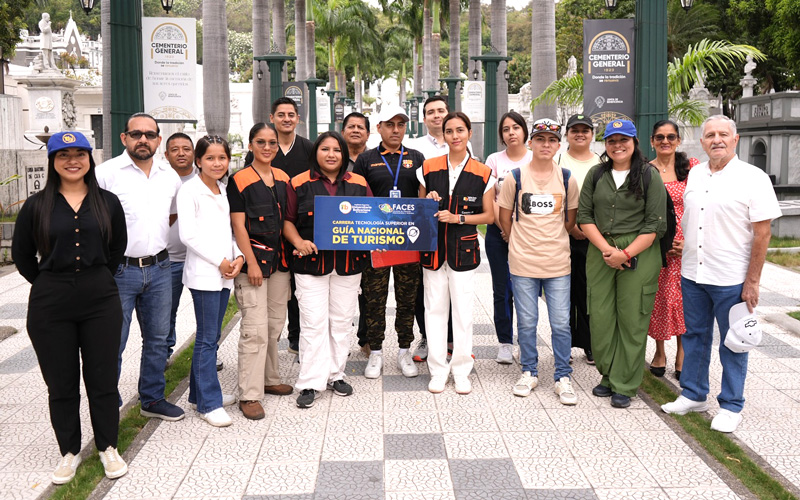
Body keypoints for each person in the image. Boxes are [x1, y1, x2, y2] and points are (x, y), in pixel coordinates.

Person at [12, 131, 129, 483]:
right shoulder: (36, 205)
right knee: (61, 383)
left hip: (100, 299)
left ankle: (108, 445)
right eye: (64, 155)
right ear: (53, 161)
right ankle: (69, 451)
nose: (73, 160)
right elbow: (21, 256)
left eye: (80, 153)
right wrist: (52, 282)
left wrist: (92, 279)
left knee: (103, 378)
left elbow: (116, 250)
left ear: (89, 159)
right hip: (51, 303)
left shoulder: (107, 202)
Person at [661, 115, 781, 433]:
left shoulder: (753, 178)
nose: (717, 139)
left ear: (735, 139)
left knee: (734, 342)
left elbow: (763, 233)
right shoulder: (695, 175)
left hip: (732, 278)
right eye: (710, 135)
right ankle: (694, 394)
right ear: (702, 142)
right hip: (693, 273)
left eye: (723, 135)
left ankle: (730, 405)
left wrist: (753, 281)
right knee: (694, 337)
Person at [96, 113, 185, 421]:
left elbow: (171, 215)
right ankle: (108, 403)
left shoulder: (169, 176)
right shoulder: (106, 174)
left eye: (150, 134)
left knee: (158, 338)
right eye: (136, 134)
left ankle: (152, 398)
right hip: (119, 271)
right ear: (125, 138)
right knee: (113, 341)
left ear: (159, 140)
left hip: (160, 268)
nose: (143, 139)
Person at [577, 119, 666, 409]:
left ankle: (625, 383)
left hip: (639, 251)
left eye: (623, 140)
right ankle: (608, 375)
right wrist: (607, 251)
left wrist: (625, 254)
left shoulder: (649, 176)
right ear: (605, 144)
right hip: (601, 250)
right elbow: (584, 217)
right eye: (612, 140)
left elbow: (654, 225)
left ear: (635, 142)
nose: (618, 145)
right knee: (601, 316)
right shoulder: (596, 174)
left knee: (631, 317)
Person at [283, 131, 373, 408]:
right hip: (311, 266)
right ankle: (310, 382)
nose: (331, 154)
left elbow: (373, 219)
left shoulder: (358, 182)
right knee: (312, 323)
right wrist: (299, 241)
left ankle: (336, 374)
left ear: (344, 154)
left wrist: (377, 238)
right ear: (316, 153)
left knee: (342, 321)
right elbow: (287, 221)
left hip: (348, 265)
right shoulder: (298, 182)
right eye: (325, 149)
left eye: (337, 149)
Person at [497, 119, 580, 404]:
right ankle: (530, 371)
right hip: (522, 263)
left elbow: (569, 222)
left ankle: (562, 375)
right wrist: (516, 241)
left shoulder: (568, 178)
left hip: (558, 264)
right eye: (540, 139)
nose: (546, 145)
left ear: (559, 145)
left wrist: (552, 240)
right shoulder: (515, 177)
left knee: (560, 323)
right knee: (528, 321)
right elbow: (503, 218)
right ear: (530, 142)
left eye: (552, 140)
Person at [418, 112, 495, 395]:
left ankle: (462, 370)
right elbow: (419, 206)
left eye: (460, 130)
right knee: (434, 310)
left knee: (462, 313)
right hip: (433, 250)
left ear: (469, 133)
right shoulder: (428, 167)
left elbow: (489, 216)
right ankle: (437, 370)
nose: (455, 136)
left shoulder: (483, 172)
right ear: (444, 135)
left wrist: (459, 219)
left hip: (463, 251)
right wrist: (427, 200)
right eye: (449, 131)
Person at [353, 105, 426, 379]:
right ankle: (376, 352)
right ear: (379, 128)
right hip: (377, 240)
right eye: (390, 125)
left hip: (408, 240)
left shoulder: (416, 158)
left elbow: (422, 197)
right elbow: (359, 198)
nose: (396, 130)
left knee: (407, 298)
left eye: (401, 124)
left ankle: (404, 350)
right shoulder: (366, 159)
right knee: (374, 298)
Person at [228, 123, 294, 421]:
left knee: (274, 325)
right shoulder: (239, 180)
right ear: (251, 146)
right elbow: (238, 225)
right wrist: (251, 261)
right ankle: (250, 394)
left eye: (272, 143)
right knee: (254, 329)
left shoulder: (283, 177)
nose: (267, 147)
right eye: (260, 142)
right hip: (255, 265)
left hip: (280, 264)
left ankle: (269, 378)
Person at [177, 135, 243, 427]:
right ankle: (208, 404)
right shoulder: (189, 190)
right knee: (206, 339)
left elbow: (230, 231)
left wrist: (238, 257)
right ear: (199, 161)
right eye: (210, 158)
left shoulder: (224, 189)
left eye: (222, 158)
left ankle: (198, 394)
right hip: (205, 273)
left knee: (211, 336)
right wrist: (220, 262)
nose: (217, 163)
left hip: (225, 271)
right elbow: (188, 235)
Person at [409, 96, 463, 362]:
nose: (437, 115)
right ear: (424, 118)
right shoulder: (415, 147)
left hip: (454, 227)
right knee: (425, 287)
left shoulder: (461, 142)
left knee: (455, 286)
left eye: (441, 110)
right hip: (427, 228)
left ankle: (453, 341)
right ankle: (427, 337)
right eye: (430, 112)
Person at [647, 120, 699, 380]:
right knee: (658, 300)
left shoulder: (692, 169)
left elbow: (702, 208)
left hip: (686, 246)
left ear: (678, 140)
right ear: (652, 141)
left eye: (670, 137)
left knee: (683, 302)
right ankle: (659, 352)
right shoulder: (645, 171)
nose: (665, 141)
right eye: (659, 137)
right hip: (656, 246)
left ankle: (682, 352)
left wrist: (688, 242)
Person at [485, 111, 532, 364]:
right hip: (498, 232)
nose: (511, 132)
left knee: (526, 289)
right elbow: (490, 199)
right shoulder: (494, 160)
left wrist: (516, 233)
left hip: (530, 235)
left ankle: (526, 341)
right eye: (506, 129)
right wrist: (504, 229)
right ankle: (505, 342)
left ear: (524, 131)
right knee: (502, 289)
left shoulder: (537, 158)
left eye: (516, 127)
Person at [270, 97, 314, 355]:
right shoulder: (265, 148)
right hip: (270, 231)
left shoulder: (309, 148)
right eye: (281, 114)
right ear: (272, 117)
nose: (286, 118)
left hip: (301, 228)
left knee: (302, 286)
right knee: (277, 288)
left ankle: (298, 339)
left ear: (298, 118)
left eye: (291, 114)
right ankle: (272, 339)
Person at [557, 114, 601, 365]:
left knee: (588, 292)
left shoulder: (601, 162)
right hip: (563, 236)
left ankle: (588, 342)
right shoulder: (558, 160)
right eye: (575, 130)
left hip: (594, 238)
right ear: (567, 134)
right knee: (563, 293)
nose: (580, 134)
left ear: (592, 134)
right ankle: (564, 345)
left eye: (585, 130)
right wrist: (571, 227)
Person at [164, 132, 197, 364]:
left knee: (207, 314)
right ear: (166, 155)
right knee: (166, 313)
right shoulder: (159, 180)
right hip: (168, 262)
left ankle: (208, 353)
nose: (181, 153)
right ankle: (163, 355)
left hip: (201, 261)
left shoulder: (207, 178)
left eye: (186, 148)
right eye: (175, 149)